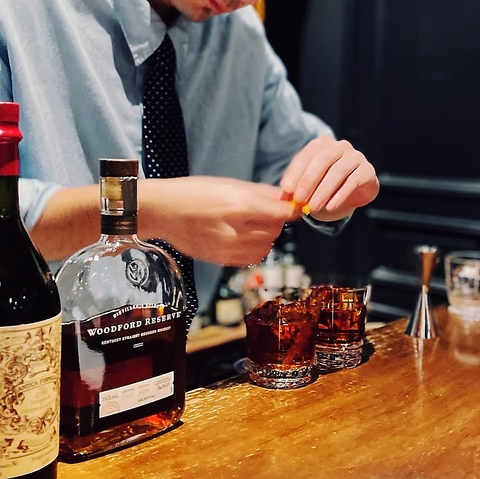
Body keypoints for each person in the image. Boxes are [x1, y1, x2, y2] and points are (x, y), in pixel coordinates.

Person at [1, 0, 379, 315]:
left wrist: (336, 183)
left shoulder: (240, 32)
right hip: (33, 350)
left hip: (176, 354)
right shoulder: (20, 12)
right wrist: (150, 212)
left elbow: (292, 158)